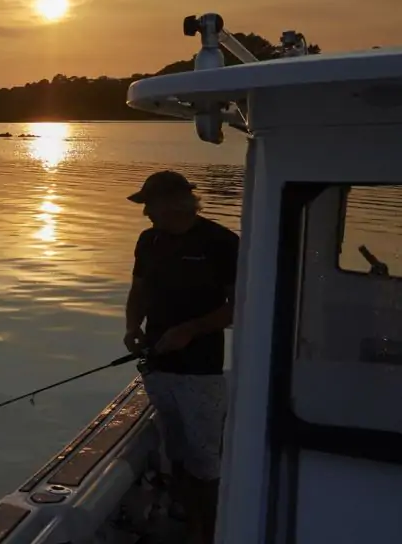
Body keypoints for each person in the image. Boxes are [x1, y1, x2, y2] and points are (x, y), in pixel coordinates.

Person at [122, 170, 238, 544]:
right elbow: (138, 290)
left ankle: (211, 532)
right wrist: (131, 327)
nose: (146, 214)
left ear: (175, 203)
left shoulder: (221, 242)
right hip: (158, 366)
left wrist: (189, 330)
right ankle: (187, 520)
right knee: (176, 451)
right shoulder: (148, 240)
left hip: (200, 372)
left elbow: (239, 307)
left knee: (206, 459)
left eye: (149, 206)